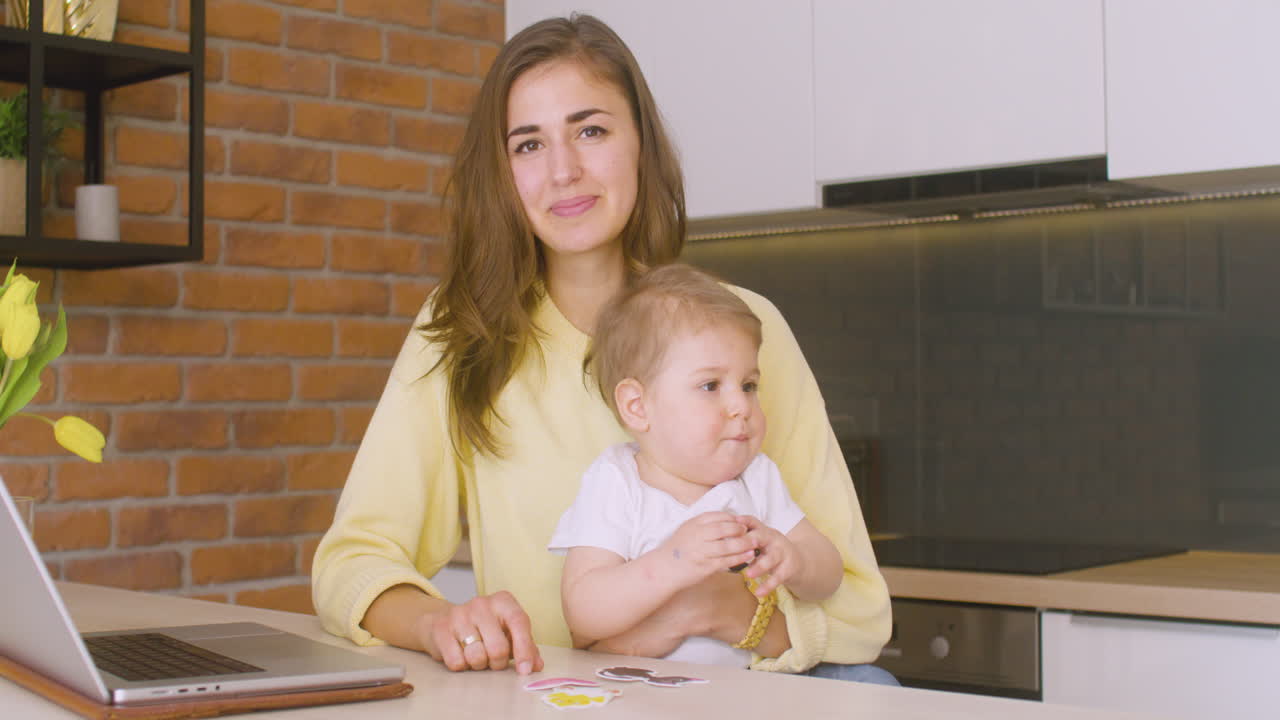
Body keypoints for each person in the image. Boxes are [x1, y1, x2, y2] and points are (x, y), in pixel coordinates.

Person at [310, 13, 895, 683]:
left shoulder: (747, 328)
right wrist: (436, 621)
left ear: (640, 145)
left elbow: (858, 608)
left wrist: (723, 616)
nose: (563, 170)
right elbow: (350, 562)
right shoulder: (463, 329)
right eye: (528, 145)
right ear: (501, 172)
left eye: (591, 130)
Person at [550, 263, 844, 668]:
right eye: (710, 386)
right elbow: (583, 610)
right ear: (638, 407)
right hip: (641, 697)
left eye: (749, 385)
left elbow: (829, 576)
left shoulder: (756, 477)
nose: (741, 406)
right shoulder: (617, 480)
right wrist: (672, 562)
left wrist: (794, 559)